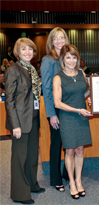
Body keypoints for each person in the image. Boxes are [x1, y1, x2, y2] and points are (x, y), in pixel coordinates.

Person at [4, 37, 44, 204]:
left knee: (32, 155)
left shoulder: (32, 69)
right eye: (23, 50)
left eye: (30, 49)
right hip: (20, 121)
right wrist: (15, 125)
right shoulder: (13, 70)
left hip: (33, 118)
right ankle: (20, 194)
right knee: (20, 158)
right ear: (17, 53)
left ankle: (32, 184)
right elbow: (9, 100)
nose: (28, 52)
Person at [53, 44, 92, 199]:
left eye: (74, 57)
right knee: (69, 151)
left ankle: (78, 180)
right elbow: (58, 103)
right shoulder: (58, 77)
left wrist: (92, 90)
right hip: (68, 117)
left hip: (81, 116)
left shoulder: (81, 74)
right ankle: (71, 182)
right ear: (63, 58)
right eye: (68, 57)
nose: (71, 60)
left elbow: (84, 93)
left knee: (80, 150)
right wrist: (77, 110)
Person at [40, 27, 69, 192]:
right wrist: (51, 115)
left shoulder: (68, 58)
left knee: (68, 143)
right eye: (56, 38)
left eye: (62, 37)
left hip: (67, 108)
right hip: (55, 110)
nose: (59, 41)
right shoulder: (48, 61)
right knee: (56, 144)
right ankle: (55, 178)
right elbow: (47, 89)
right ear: (51, 41)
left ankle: (66, 173)